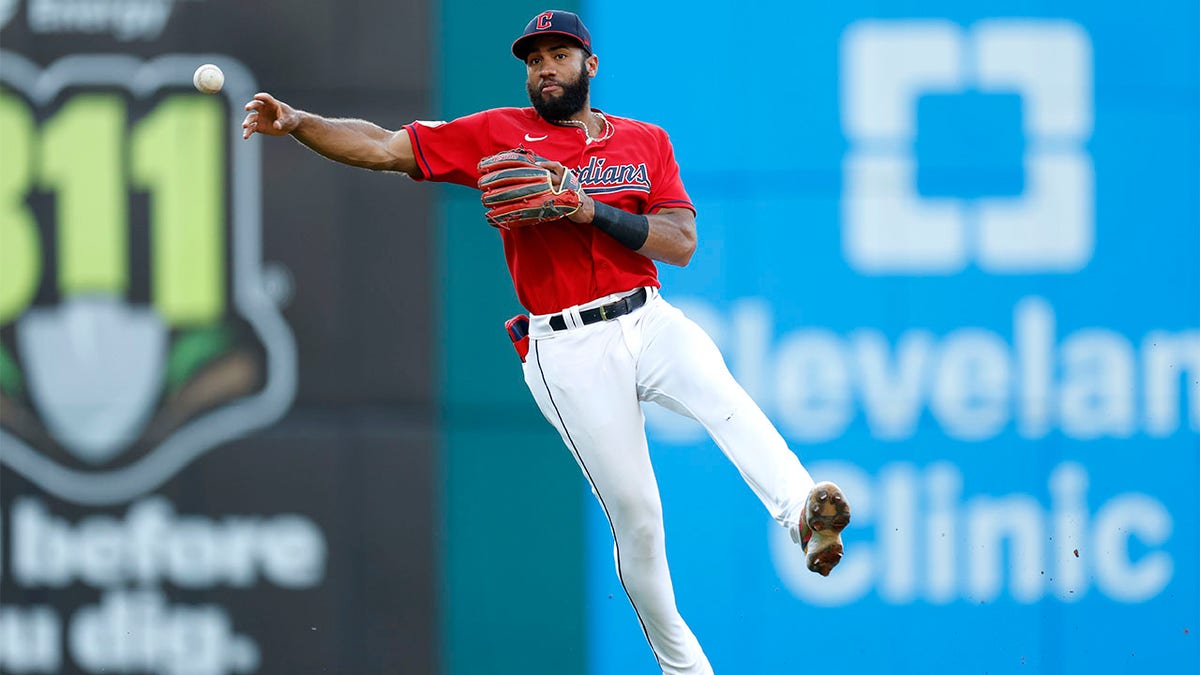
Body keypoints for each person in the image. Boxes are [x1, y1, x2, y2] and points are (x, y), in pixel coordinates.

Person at [242, 9, 850, 674]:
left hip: (646, 315)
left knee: (721, 392)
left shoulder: (644, 142)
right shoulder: (499, 135)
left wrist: (591, 209)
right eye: (534, 60)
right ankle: (685, 669)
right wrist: (299, 123)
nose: (545, 68)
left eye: (559, 55)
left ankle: (802, 510)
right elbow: (385, 147)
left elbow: (680, 243)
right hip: (565, 348)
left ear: (590, 65)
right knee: (639, 518)